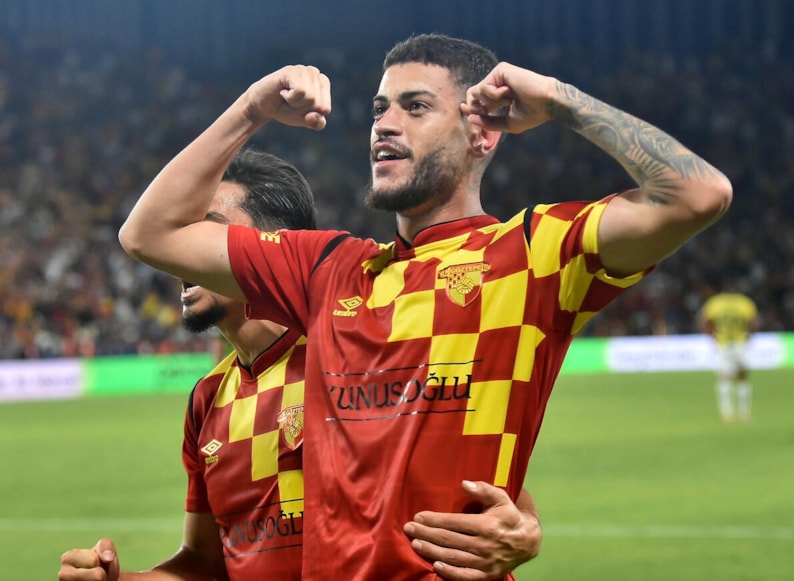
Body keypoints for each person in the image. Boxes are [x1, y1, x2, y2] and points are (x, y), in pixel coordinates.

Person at [118, 33, 732, 579]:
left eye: (415, 107)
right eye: (379, 109)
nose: (384, 125)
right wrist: (253, 107)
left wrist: (558, 98)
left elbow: (698, 194)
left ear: (482, 133)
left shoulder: (532, 255)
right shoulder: (327, 270)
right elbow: (150, 234)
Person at [59, 149, 542, 581]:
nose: (184, 254)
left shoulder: (357, 351)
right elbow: (206, 565)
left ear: (269, 248)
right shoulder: (208, 399)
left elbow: (486, 485)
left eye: (207, 229)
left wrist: (524, 526)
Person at [699, 286, 759, 423]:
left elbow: (704, 321)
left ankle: (727, 414)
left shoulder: (716, 302)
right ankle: (744, 413)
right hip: (740, 343)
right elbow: (754, 322)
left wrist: (712, 336)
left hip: (723, 344)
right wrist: (750, 336)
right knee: (742, 378)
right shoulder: (744, 302)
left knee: (724, 379)